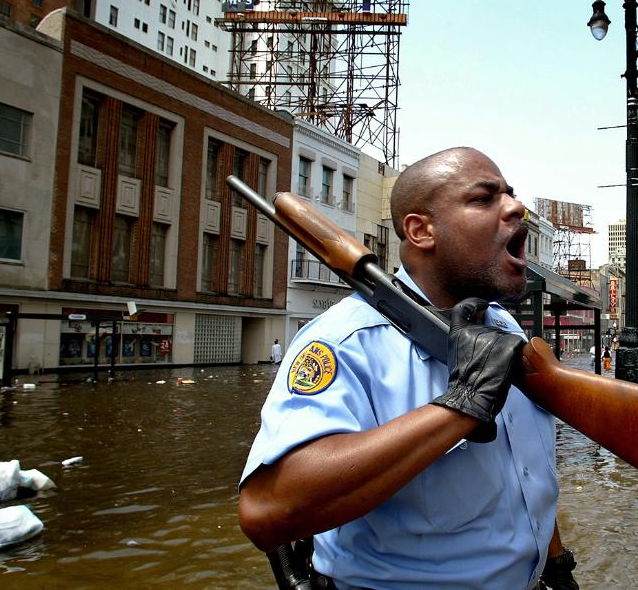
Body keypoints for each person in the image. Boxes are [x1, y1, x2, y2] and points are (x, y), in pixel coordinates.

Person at [238, 148, 578, 589]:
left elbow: (527, 471)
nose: (516, 207)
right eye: (483, 199)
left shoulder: (502, 325)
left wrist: (555, 563)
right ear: (421, 231)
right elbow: (267, 511)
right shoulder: (346, 342)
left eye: (511, 195)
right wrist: (458, 408)